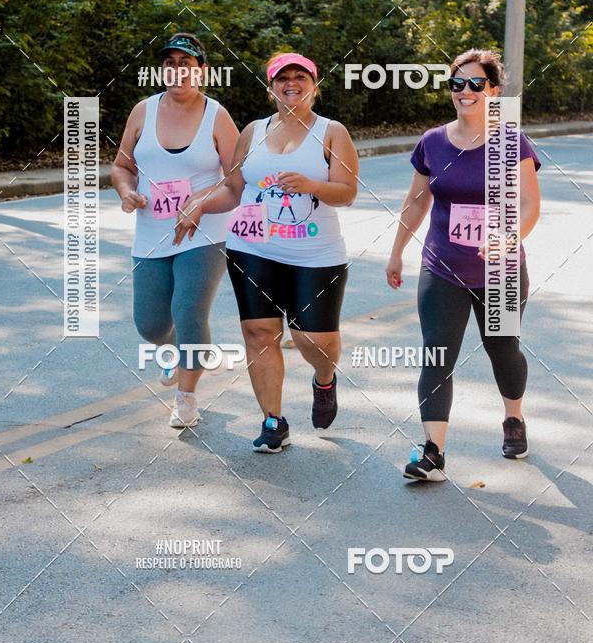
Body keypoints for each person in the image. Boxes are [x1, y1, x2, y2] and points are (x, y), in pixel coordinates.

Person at [177, 52, 359, 452]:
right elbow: (233, 189)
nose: (291, 83)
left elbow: (347, 192)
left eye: (301, 77)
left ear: (314, 85)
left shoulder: (331, 132)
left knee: (314, 339)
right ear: (270, 86)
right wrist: (199, 204)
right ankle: (273, 421)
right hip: (252, 246)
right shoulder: (253, 132)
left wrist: (311, 185)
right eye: (282, 78)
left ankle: (324, 379)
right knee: (260, 332)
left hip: (315, 253)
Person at [386, 49, 541, 481]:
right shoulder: (433, 141)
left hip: (502, 273)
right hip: (442, 268)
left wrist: (510, 239)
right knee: (437, 355)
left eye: (476, 84)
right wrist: (397, 249)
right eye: (458, 84)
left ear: (493, 91)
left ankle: (513, 417)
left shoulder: (511, 141)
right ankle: (433, 452)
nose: (465, 92)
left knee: (503, 349)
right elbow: (416, 201)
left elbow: (529, 204)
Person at [111, 32, 239, 428]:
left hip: (204, 233)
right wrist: (127, 190)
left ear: (201, 71)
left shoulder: (217, 116)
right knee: (150, 325)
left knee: (187, 311)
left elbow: (236, 183)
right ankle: (183, 352)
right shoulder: (142, 111)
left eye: (186, 64)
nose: (177, 71)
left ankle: (186, 399)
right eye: (170, 63)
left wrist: (201, 203)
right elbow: (121, 165)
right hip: (152, 233)